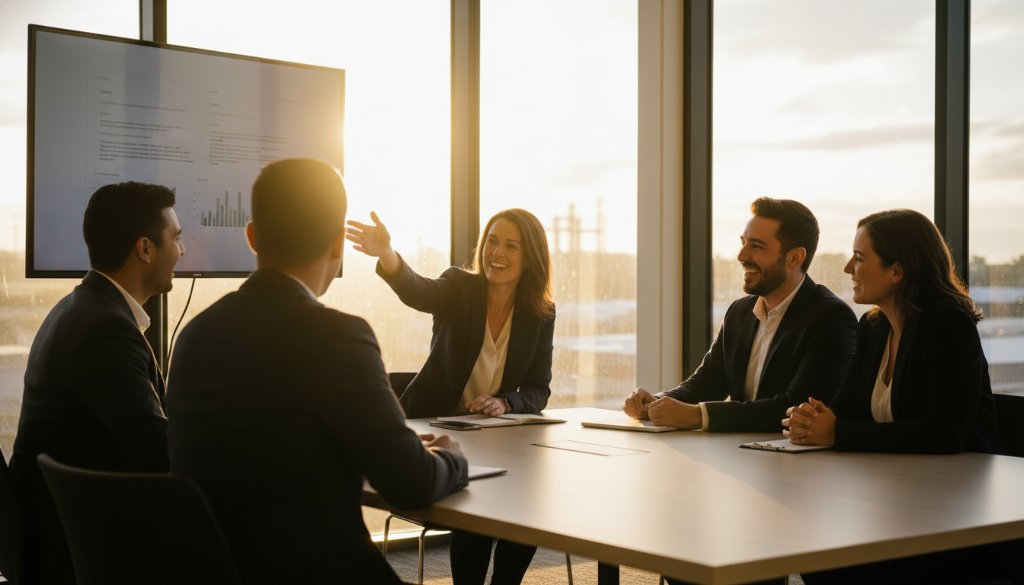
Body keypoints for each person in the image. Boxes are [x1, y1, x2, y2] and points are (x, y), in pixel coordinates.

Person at [166, 158, 469, 584]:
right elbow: (411, 484)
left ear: (252, 237)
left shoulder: (194, 336)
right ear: (337, 246)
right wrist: (452, 459)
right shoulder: (339, 337)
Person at [783, 209, 1008, 583]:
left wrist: (838, 432)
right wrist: (810, 420)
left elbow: (945, 433)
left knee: (831, 561)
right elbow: (845, 410)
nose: (846, 269)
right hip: (895, 502)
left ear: (897, 271)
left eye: (859, 258)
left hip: (955, 516)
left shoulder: (948, 325)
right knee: (816, 552)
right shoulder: (873, 328)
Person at [347, 208, 555, 585]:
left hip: (497, 439)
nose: (498, 252)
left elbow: (539, 387)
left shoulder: (540, 312)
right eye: (492, 240)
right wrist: (387, 254)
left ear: (531, 257)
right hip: (440, 433)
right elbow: (418, 290)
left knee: (529, 507)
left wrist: (507, 402)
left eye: (511, 245)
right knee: (479, 508)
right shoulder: (460, 287)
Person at [10, 181, 184, 585]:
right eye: (176, 239)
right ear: (145, 249)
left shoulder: (82, 307)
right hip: (81, 551)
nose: (182, 251)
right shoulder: (105, 329)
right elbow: (158, 455)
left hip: (62, 534)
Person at [623, 197, 857, 434]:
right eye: (743, 242)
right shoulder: (740, 312)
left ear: (795, 257)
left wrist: (698, 415)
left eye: (756, 246)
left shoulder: (831, 318)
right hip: (739, 455)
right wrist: (655, 403)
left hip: (801, 465)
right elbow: (705, 384)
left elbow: (796, 407)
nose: (741, 255)